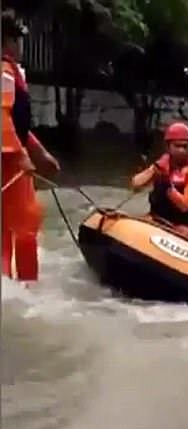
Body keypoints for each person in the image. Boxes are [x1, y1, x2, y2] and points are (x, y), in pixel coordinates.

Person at [2, 10, 60, 282]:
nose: (22, 46)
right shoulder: (5, 72)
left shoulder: (11, 72)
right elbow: (1, 116)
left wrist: (40, 152)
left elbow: (16, 122)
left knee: (8, 227)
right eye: (19, 39)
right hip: (8, 162)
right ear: (8, 41)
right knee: (25, 223)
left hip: (12, 156)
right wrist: (21, 154)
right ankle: (25, 287)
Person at [130, 121, 188, 236]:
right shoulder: (161, 165)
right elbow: (136, 184)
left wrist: (167, 185)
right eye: (177, 146)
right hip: (158, 220)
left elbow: (184, 206)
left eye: (185, 146)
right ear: (167, 146)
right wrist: (153, 169)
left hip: (185, 226)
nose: (181, 150)